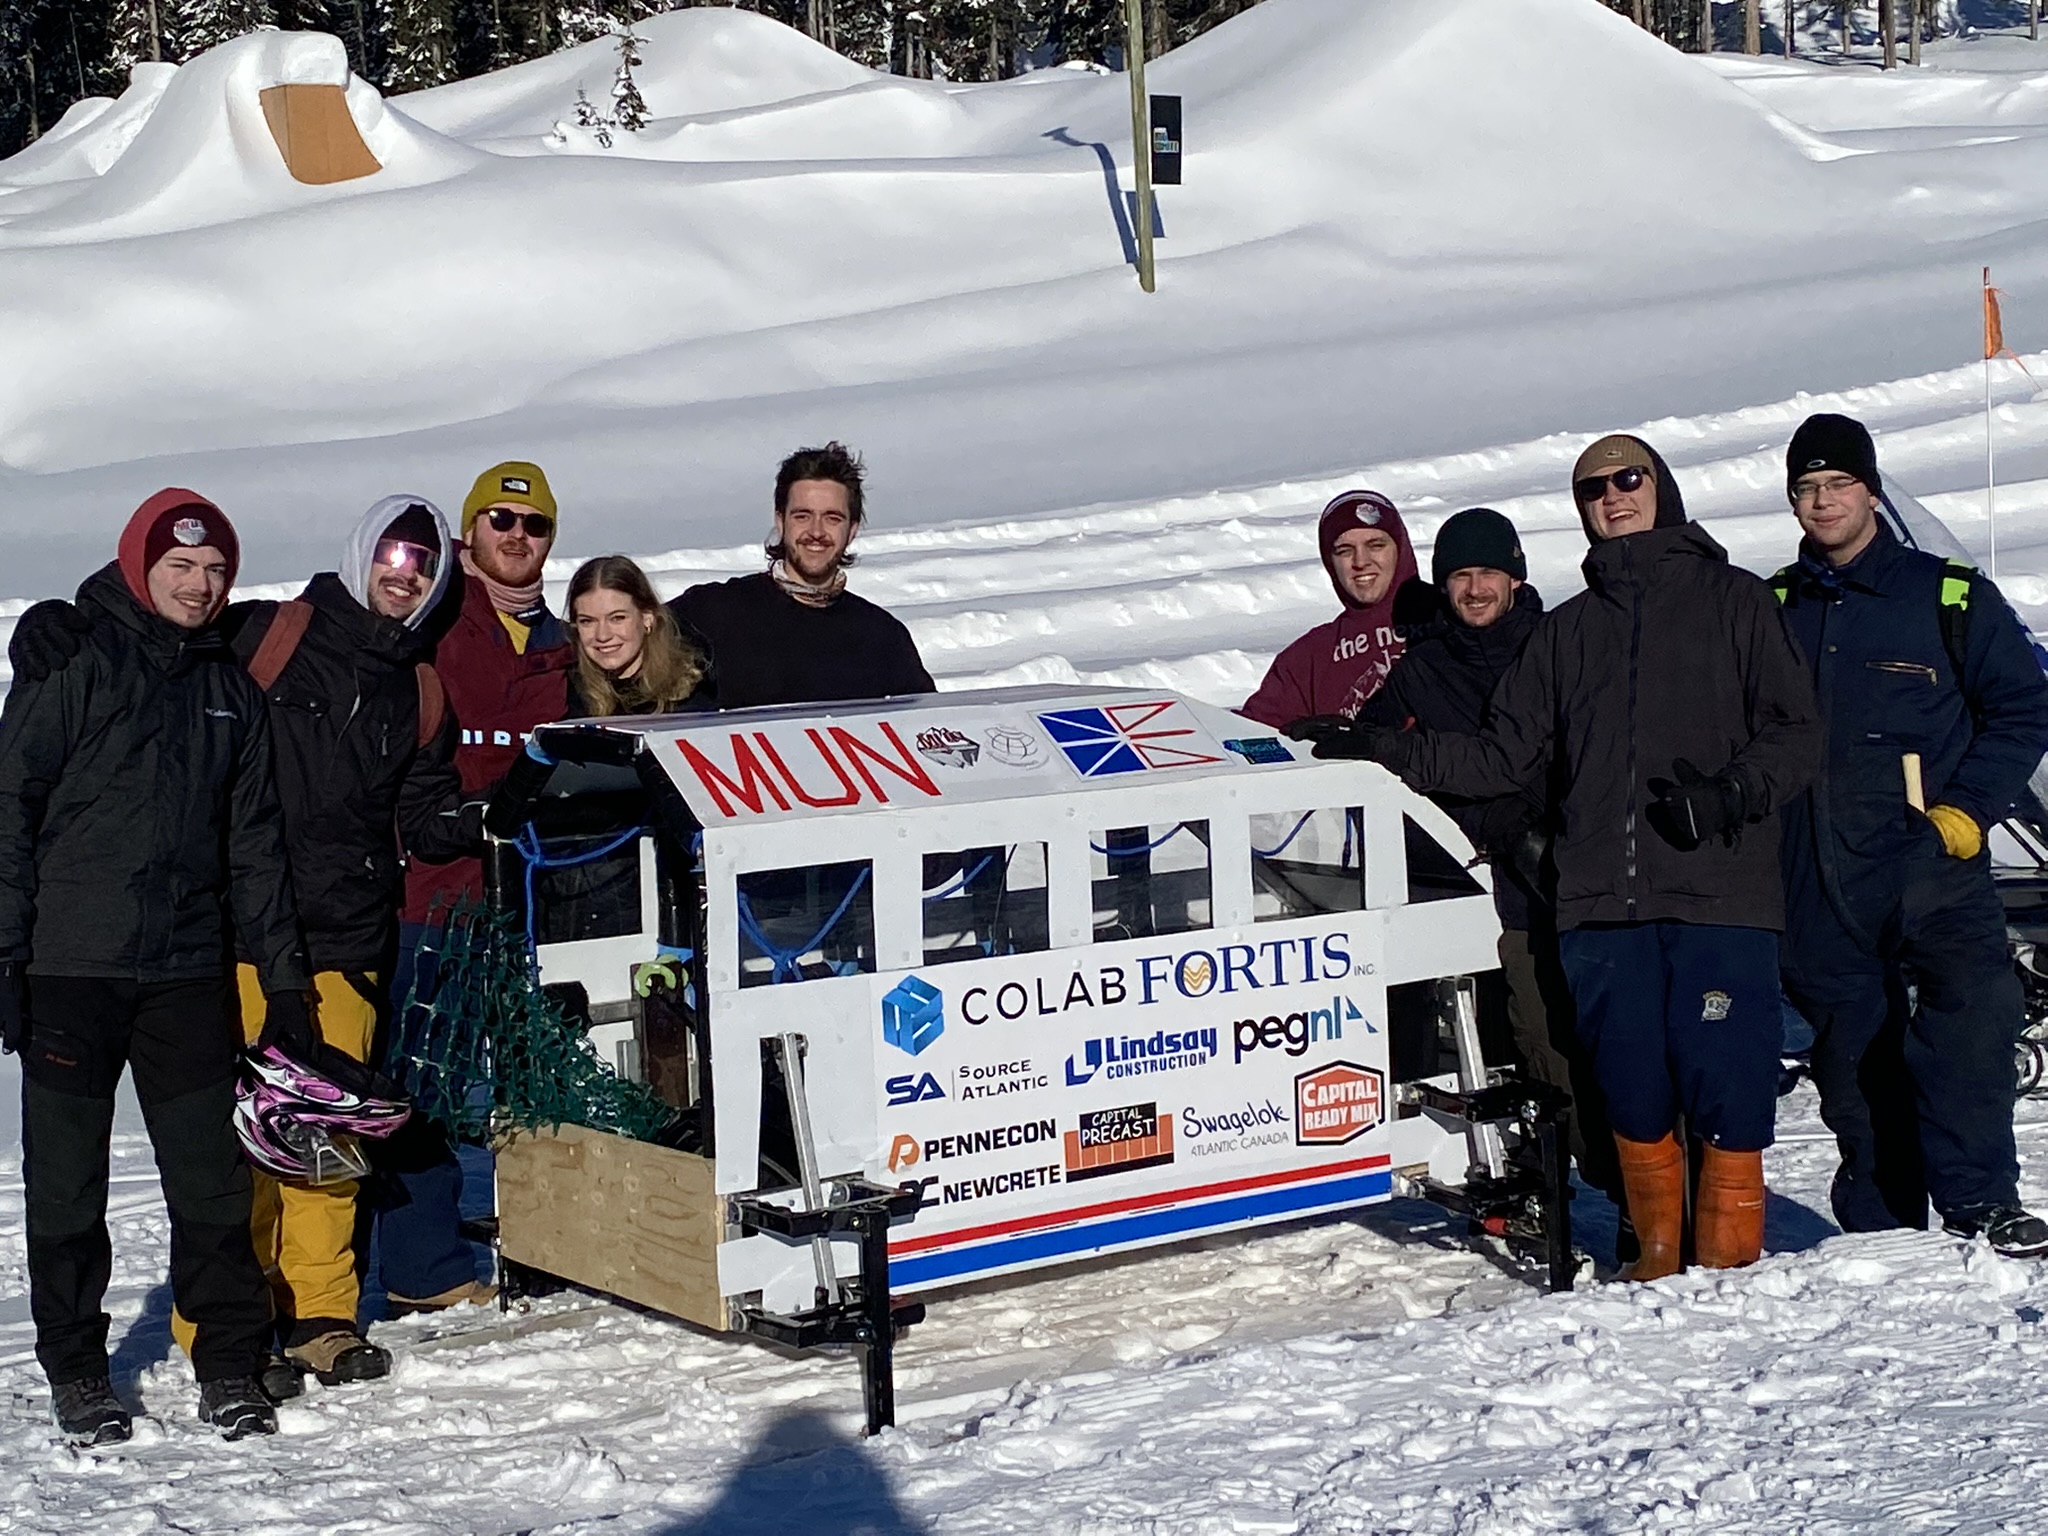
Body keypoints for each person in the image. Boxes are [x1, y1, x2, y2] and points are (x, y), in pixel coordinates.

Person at [1298, 436, 1822, 1282]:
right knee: (1631, 1092)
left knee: (1725, 1086)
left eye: (1629, 480)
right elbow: (1500, 757)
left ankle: (1731, 1268)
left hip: (1716, 891)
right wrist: (1378, 750)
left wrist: (1732, 794)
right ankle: (1653, 1257)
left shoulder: (1738, 603)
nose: (1612, 497)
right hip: (1598, 907)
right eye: (1593, 489)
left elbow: (1799, 735)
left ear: (1663, 488)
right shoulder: (1570, 632)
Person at [0, 491, 309, 1442]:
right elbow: (8, 811)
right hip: (70, 972)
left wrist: (288, 985)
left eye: (215, 569)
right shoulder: (72, 661)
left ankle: (227, 1364)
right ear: (140, 565)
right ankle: (78, 1372)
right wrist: (8, 958)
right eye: (181, 566)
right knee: (65, 1184)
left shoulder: (231, 693)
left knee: (210, 1180)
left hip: (183, 972)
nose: (199, 584)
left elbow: (254, 846)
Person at [1772, 414, 2048, 1257]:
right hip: (1820, 877)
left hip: (1936, 865)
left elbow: (2024, 707)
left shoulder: (1947, 596)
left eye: (1838, 485)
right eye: (1807, 489)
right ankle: (1884, 1230)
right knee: (1855, 1067)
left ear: (1872, 490)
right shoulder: (1774, 606)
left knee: (1973, 1025)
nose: (1823, 502)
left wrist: (1966, 813)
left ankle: (1980, 1200)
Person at [1360, 508, 1629, 1246]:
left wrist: (1530, 812)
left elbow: (1596, 756)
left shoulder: (1563, 644)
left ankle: (1658, 1196)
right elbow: (1385, 767)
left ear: (1516, 576)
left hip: (1597, 883)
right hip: (1505, 899)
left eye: (1487, 573)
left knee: (1620, 1044)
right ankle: (1599, 1192)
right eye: (1459, 576)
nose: (1474, 590)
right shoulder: (1422, 670)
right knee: (1543, 1050)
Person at [385, 461, 574, 1313]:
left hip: (544, 902)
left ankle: (554, 1244)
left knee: (543, 1082)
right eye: (500, 520)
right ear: (469, 535)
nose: (516, 536)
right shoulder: (430, 624)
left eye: (533, 526)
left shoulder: (568, 645)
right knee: (426, 1082)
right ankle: (422, 1270)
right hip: (442, 893)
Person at [668, 442, 933, 708]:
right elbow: (635, 646)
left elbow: (924, 729)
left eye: (832, 518)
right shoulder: (712, 611)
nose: (816, 532)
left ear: (852, 530)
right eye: (803, 516)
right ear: (781, 522)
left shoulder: (883, 637)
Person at [1240, 489, 1431, 728]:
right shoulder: (1307, 658)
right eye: (1344, 550)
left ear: (1400, 549)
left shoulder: (1448, 617)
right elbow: (1245, 738)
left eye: (1375, 545)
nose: (1360, 562)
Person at [564, 556, 713, 718]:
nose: (602, 635)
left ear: (647, 617)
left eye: (617, 618)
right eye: (587, 621)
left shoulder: (689, 692)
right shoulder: (570, 696)